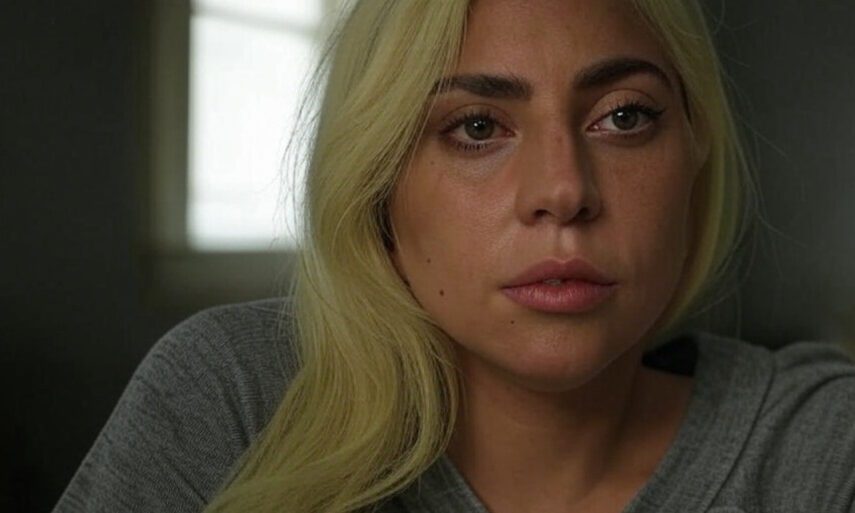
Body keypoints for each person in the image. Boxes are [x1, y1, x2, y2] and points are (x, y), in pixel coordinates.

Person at [53, 0, 855, 512]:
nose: (563, 191)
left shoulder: (816, 449)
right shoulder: (232, 402)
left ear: (694, 150)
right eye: (476, 127)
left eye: (623, 116)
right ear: (378, 180)